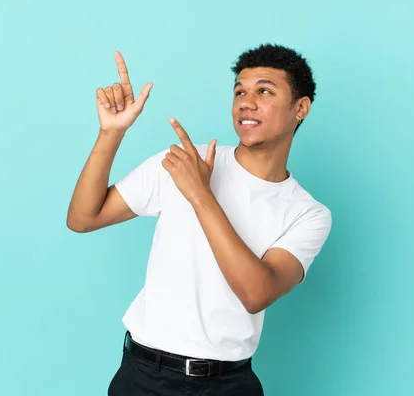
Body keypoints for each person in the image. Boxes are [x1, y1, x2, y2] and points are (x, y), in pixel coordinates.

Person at [66, 43, 332, 395]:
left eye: (264, 90)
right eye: (240, 91)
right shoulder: (182, 162)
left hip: (228, 384)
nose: (246, 103)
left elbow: (256, 293)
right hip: (143, 376)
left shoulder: (307, 214)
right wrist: (111, 133)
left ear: (301, 107)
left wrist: (200, 195)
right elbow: (83, 218)